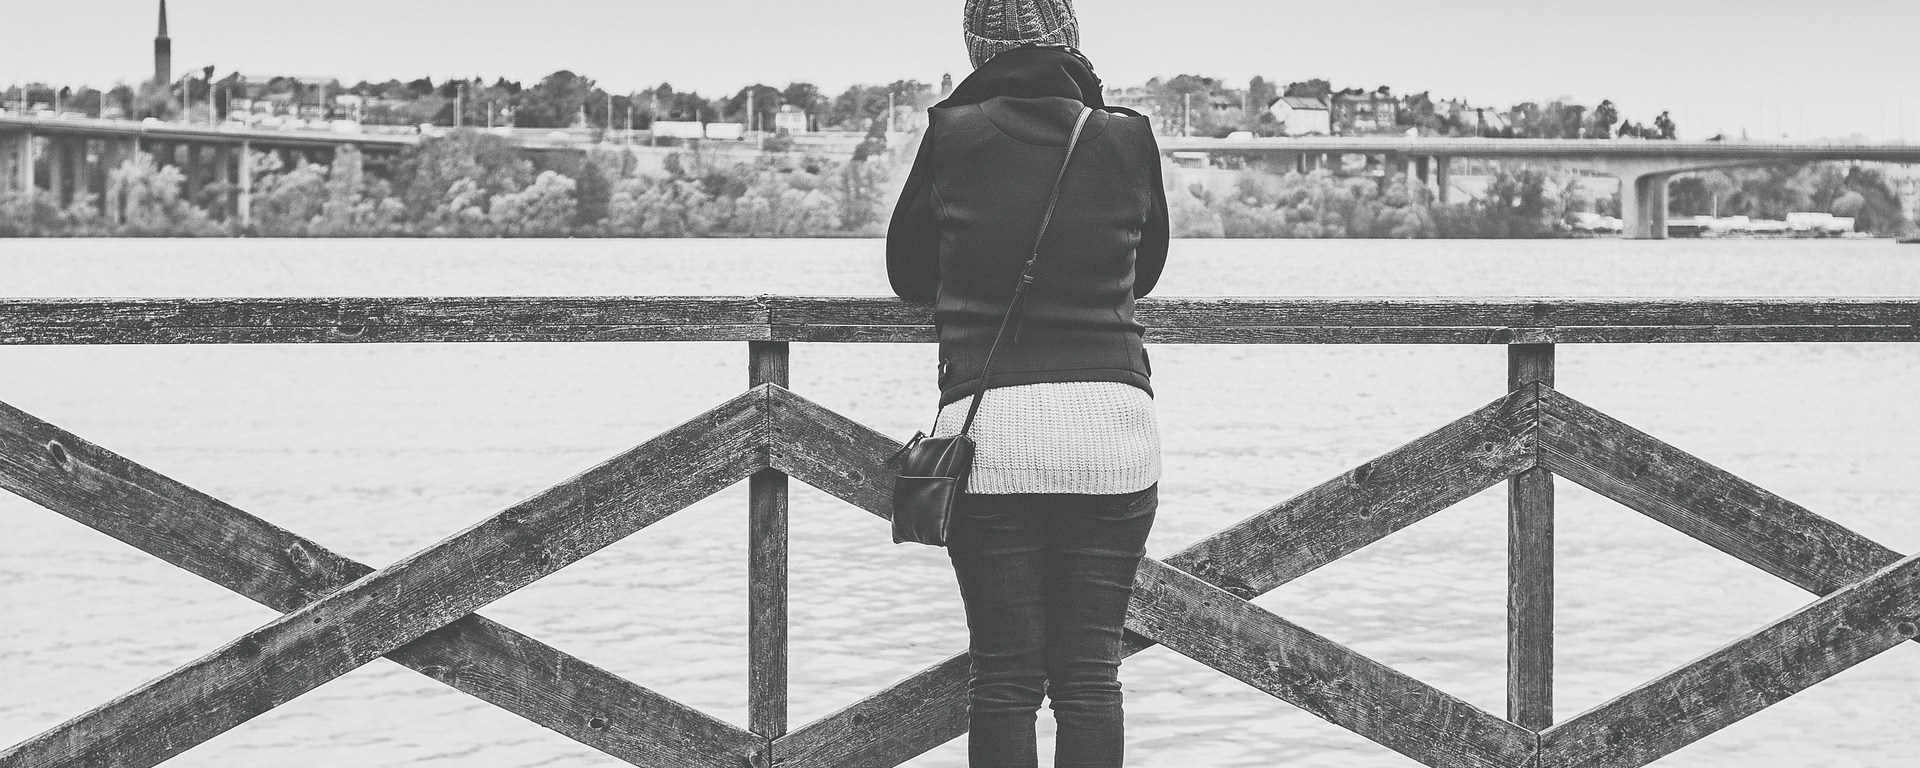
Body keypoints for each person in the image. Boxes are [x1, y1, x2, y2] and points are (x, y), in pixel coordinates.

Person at [885, 1, 1170, 765]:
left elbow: (908, 276)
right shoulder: (1124, 135)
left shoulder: (953, 134)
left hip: (990, 440)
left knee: (1005, 679)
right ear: (1071, 43)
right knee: (1089, 679)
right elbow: (1144, 271)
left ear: (977, 50)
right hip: (1112, 431)